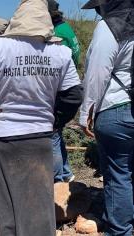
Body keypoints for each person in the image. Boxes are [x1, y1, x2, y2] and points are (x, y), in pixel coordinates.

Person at [0, 0, 83, 235]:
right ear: (46, 21)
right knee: (38, 206)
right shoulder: (61, 53)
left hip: (3, 138)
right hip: (39, 137)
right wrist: (55, 122)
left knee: (7, 203)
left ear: (17, 19)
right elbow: (74, 95)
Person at [80, 0, 134, 235]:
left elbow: (97, 74)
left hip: (116, 108)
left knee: (117, 173)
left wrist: (86, 113)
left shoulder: (108, 27)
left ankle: (120, 230)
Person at [48, 0, 81, 183]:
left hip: (62, 87)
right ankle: (67, 172)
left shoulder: (57, 33)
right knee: (57, 133)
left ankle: (58, 178)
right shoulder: (66, 28)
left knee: (52, 134)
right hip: (69, 83)